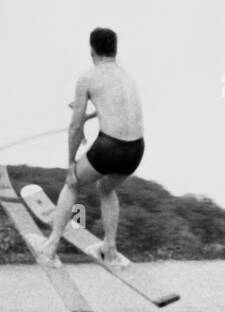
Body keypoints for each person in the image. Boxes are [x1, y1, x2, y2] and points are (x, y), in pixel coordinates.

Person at [36, 28, 145, 268]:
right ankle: (110, 248)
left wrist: (70, 163)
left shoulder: (87, 78)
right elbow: (119, 108)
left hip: (109, 147)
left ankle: (52, 245)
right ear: (115, 50)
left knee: (73, 182)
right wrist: (92, 113)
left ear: (91, 50)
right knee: (105, 188)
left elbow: (75, 126)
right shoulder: (128, 77)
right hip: (136, 150)